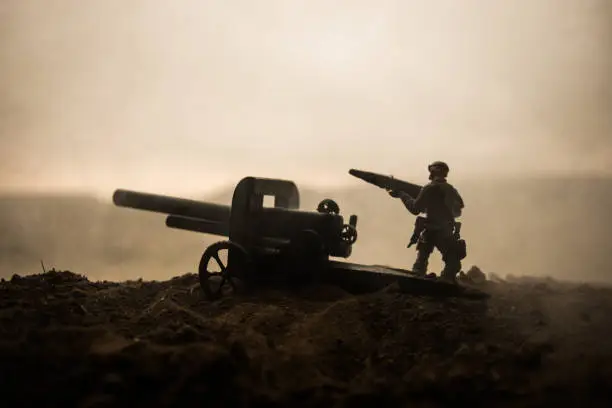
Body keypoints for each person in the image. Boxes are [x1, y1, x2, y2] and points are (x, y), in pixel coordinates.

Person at [387, 161, 465, 282]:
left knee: (421, 263)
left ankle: (425, 283)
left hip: (432, 230)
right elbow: (459, 208)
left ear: (434, 172)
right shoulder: (451, 189)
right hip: (445, 231)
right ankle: (444, 283)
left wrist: (402, 194)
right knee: (451, 263)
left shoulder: (429, 188)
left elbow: (415, 209)